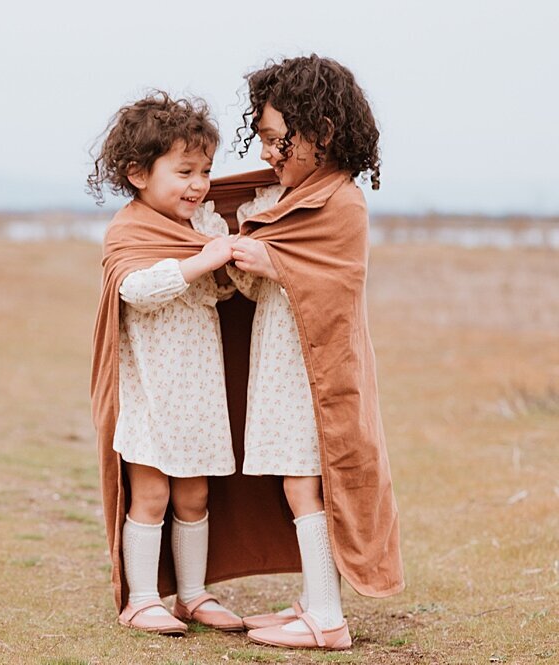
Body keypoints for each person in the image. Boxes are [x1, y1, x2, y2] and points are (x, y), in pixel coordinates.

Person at [217, 54, 405, 650]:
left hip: (315, 369)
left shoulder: (340, 201)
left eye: (280, 140)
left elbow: (337, 282)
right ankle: (313, 600)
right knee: (293, 481)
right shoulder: (297, 195)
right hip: (283, 361)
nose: (269, 153)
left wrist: (273, 261)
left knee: (305, 482)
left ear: (321, 133)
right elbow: (269, 274)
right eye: (264, 139)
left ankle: (327, 620)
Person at [85, 91, 249, 636]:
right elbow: (134, 289)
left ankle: (194, 594)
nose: (199, 184)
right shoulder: (129, 229)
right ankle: (142, 599)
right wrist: (200, 260)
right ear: (137, 173)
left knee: (195, 495)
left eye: (205, 170)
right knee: (151, 493)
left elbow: (228, 289)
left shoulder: (207, 223)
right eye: (183, 171)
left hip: (199, 389)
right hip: (150, 391)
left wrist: (237, 255)